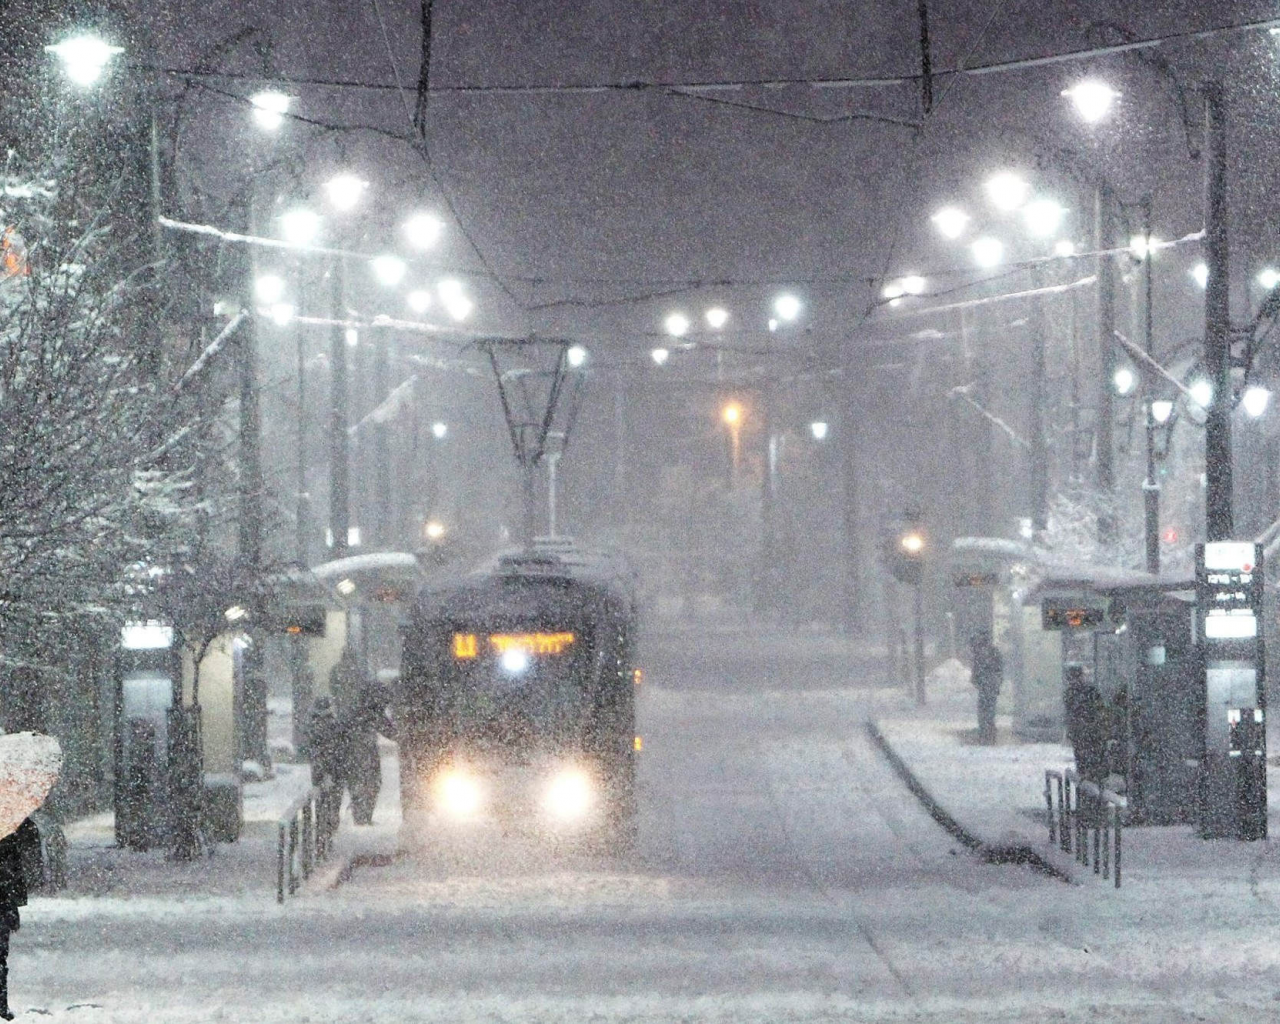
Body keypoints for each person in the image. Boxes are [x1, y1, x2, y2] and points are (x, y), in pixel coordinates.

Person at [0, 818, 39, 1021]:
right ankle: (0, 1004)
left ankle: (1, 1004)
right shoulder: (8, 829)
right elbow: (14, 873)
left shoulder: (9, 832)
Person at [343, 685, 396, 826]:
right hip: (364, 752)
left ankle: (360, 815)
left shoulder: (359, 709)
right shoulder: (372, 712)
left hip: (354, 754)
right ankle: (363, 817)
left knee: (360, 784)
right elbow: (390, 731)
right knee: (370, 784)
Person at [969, 632, 1003, 746]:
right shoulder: (994, 652)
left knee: (983, 707)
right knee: (990, 708)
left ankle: (984, 729)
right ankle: (990, 729)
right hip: (991, 683)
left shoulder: (979, 652)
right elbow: (999, 668)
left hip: (984, 684)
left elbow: (976, 669)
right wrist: (998, 682)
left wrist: (976, 680)